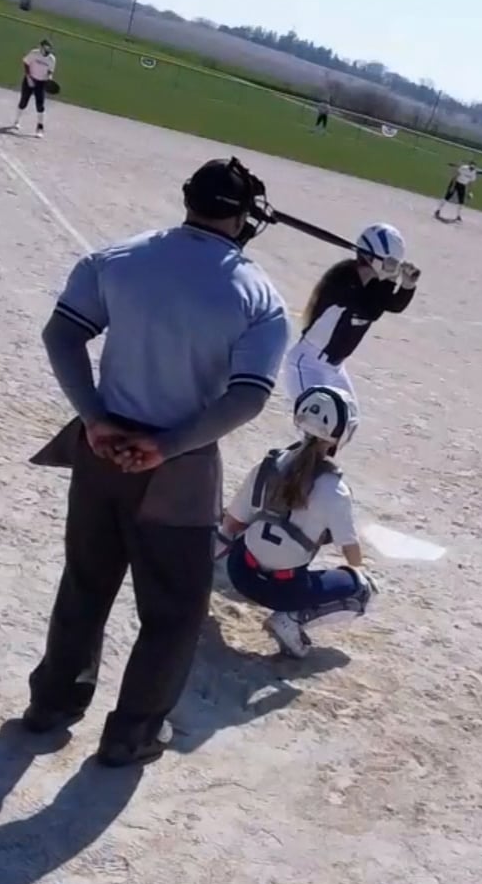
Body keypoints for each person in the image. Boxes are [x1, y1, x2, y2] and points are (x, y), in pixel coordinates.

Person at [24, 157, 292, 767]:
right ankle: (133, 732)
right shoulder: (258, 295)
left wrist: (94, 417)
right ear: (244, 217)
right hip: (180, 468)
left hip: (99, 452)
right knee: (173, 611)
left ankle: (51, 704)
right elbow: (247, 397)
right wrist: (166, 447)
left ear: (188, 199)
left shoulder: (117, 258)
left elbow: (61, 335)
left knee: (86, 584)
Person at [216, 385, 376, 659]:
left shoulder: (268, 465)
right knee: (363, 589)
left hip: (240, 573)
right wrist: (357, 567)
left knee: (241, 526)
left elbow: (231, 523)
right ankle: (292, 618)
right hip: (283, 591)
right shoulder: (334, 489)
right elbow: (351, 554)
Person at [280, 223, 418, 410]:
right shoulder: (344, 281)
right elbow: (370, 310)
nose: (393, 268)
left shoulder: (371, 283)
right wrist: (392, 279)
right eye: (390, 263)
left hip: (335, 368)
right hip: (309, 364)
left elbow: (392, 304)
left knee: (348, 422)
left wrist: (407, 285)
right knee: (316, 423)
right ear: (372, 258)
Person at [12, 39, 57, 137]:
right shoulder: (34, 53)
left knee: (40, 106)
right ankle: (16, 121)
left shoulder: (52, 59)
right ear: (41, 47)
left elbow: (50, 71)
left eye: (48, 48)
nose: (46, 50)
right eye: (45, 47)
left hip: (41, 83)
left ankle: (40, 128)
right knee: (23, 101)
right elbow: (26, 63)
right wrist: (28, 77)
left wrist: (49, 78)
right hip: (30, 79)